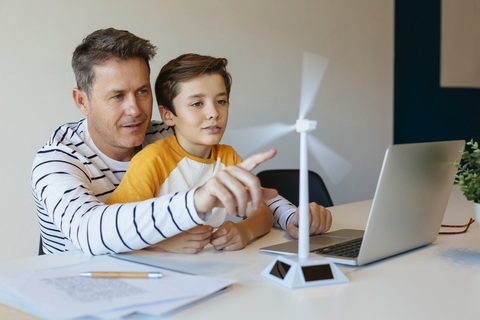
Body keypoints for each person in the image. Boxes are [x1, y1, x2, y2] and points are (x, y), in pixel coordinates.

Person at [31, 28, 332, 256]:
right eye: (117, 96)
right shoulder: (56, 161)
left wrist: (293, 216)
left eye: (142, 92)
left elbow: (251, 195)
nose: (135, 110)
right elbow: (89, 233)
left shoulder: (165, 134)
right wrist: (192, 205)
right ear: (82, 101)